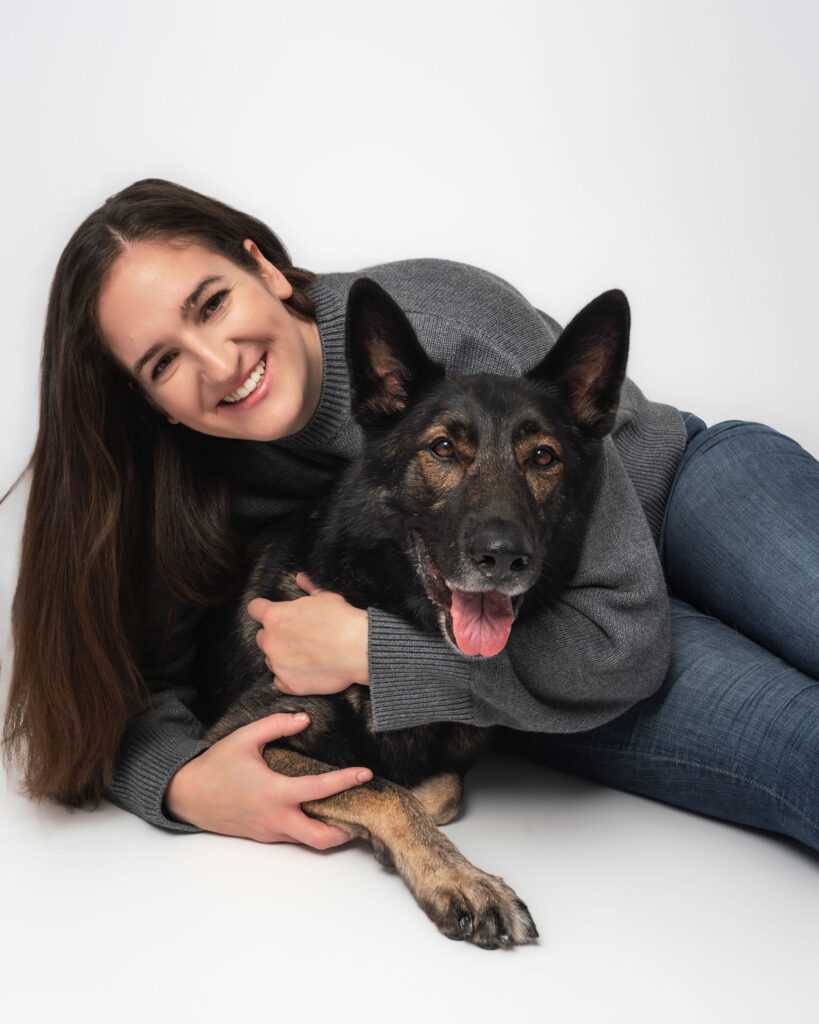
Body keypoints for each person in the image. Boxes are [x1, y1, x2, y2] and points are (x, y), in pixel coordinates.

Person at [3, 179, 817, 854]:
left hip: (685, 493)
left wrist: (369, 651)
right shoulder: (199, 489)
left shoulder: (443, 318)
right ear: (148, 402)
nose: (218, 364)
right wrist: (181, 784)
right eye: (163, 361)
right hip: (535, 646)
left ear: (263, 268)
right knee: (799, 751)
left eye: (211, 304)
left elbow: (625, 635)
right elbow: (115, 692)